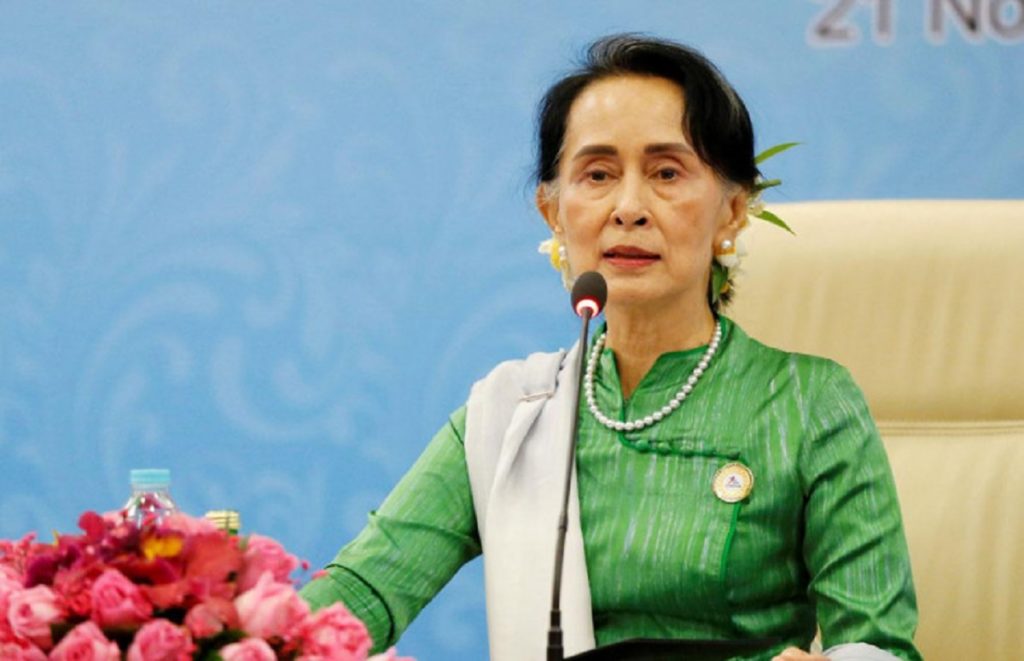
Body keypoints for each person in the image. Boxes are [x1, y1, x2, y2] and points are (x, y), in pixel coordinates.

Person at [301, 35, 922, 661]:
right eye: (597, 175)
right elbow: (364, 594)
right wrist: (251, 631)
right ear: (552, 211)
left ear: (732, 210)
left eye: (666, 173)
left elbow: (878, 647)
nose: (628, 208)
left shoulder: (809, 403)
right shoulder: (516, 413)